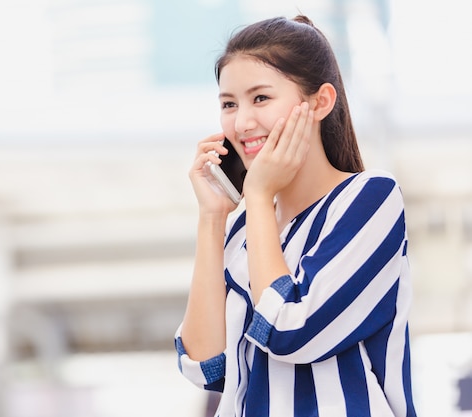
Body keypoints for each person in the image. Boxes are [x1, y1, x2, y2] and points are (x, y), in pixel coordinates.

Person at [174, 15, 417, 417]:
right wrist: (212, 218)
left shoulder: (370, 198)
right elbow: (205, 366)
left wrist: (258, 192)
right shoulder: (244, 229)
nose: (242, 122)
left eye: (261, 98)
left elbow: (289, 328)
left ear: (320, 101)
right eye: (229, 104)